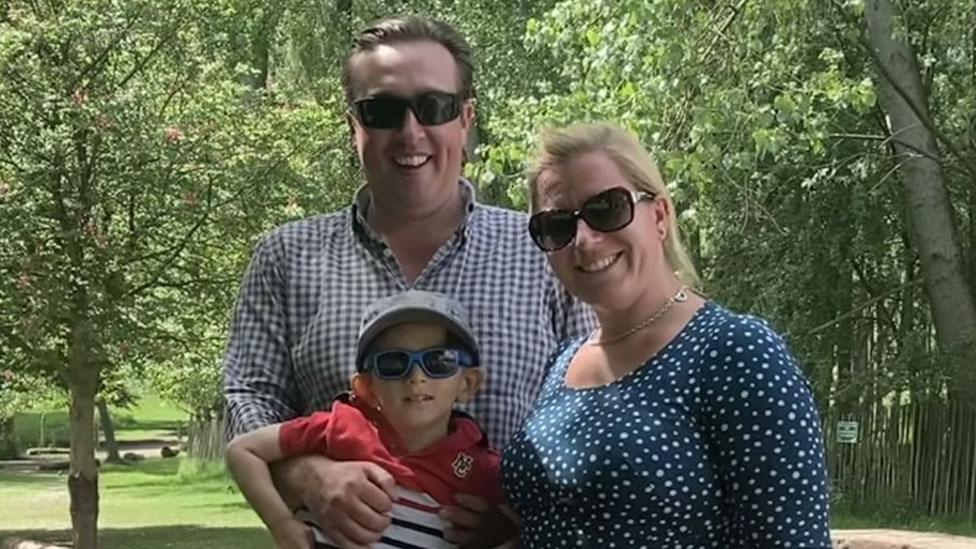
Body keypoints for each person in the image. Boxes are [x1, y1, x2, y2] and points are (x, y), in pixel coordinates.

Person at [221, 15, 592, 548]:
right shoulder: (285, 257)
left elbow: (592, 411)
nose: (410, 132)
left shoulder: (545, 251)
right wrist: (307, 476)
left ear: (465, 120)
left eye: (434, 107)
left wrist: (517, 517)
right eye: (384, 111)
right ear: (355, 127)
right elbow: (248, 399)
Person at [501, 122, 832, 547]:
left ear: (658, 216)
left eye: (607, 208)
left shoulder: (736, 353)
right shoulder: (562, 362)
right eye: (557, 225)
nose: (583, 239)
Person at [226, 290, 502, 549]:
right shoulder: (342, 426)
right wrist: (281, 523)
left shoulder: (481, 468)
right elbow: (242, 450)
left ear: (468, 383)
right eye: (393, 363)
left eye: (439, 361)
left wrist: (505, 531)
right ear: (366, 388)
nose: (416, 376)